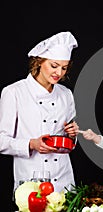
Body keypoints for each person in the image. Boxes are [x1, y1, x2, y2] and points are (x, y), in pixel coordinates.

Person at [0, 31, 80, 197]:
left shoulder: (66, 94)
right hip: (32, 184)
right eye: (54, 65)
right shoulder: (14, 92)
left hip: (64, 182)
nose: (59, 72)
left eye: (64, 68)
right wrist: (31, 144)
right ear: (39, 62)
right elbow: (2, 141)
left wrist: (72, 135)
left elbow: (69, 142)